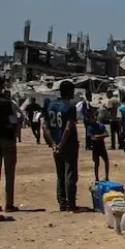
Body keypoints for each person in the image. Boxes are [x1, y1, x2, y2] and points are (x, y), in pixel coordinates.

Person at [44, 80, 80, 212]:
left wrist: (53, 144)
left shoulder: (50, 105)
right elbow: (68, 128)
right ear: (69, 91)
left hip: (55, 143)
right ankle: (71, 203)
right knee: (70, 173)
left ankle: (62, 202)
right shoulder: (70, 106)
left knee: (60, 174)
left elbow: (45, 127)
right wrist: (61, 144)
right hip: (68, 144)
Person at [0, 82, 19, 215]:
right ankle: (9, 203)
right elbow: (13, 121)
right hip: (7, 139)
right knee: (9, 173)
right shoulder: (6, 103)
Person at [87, 107, 111, 182]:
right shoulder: (90, 127)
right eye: (92, 118)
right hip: (95, 148)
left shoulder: (101, 125)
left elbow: (107, 134)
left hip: (101, 146)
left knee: (106, 161)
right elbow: (92, 138)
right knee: (97, 163)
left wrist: (97, 136)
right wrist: (102, 136)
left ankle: (107, 177)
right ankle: (97, 178)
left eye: (94, 117)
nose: (93, 119)